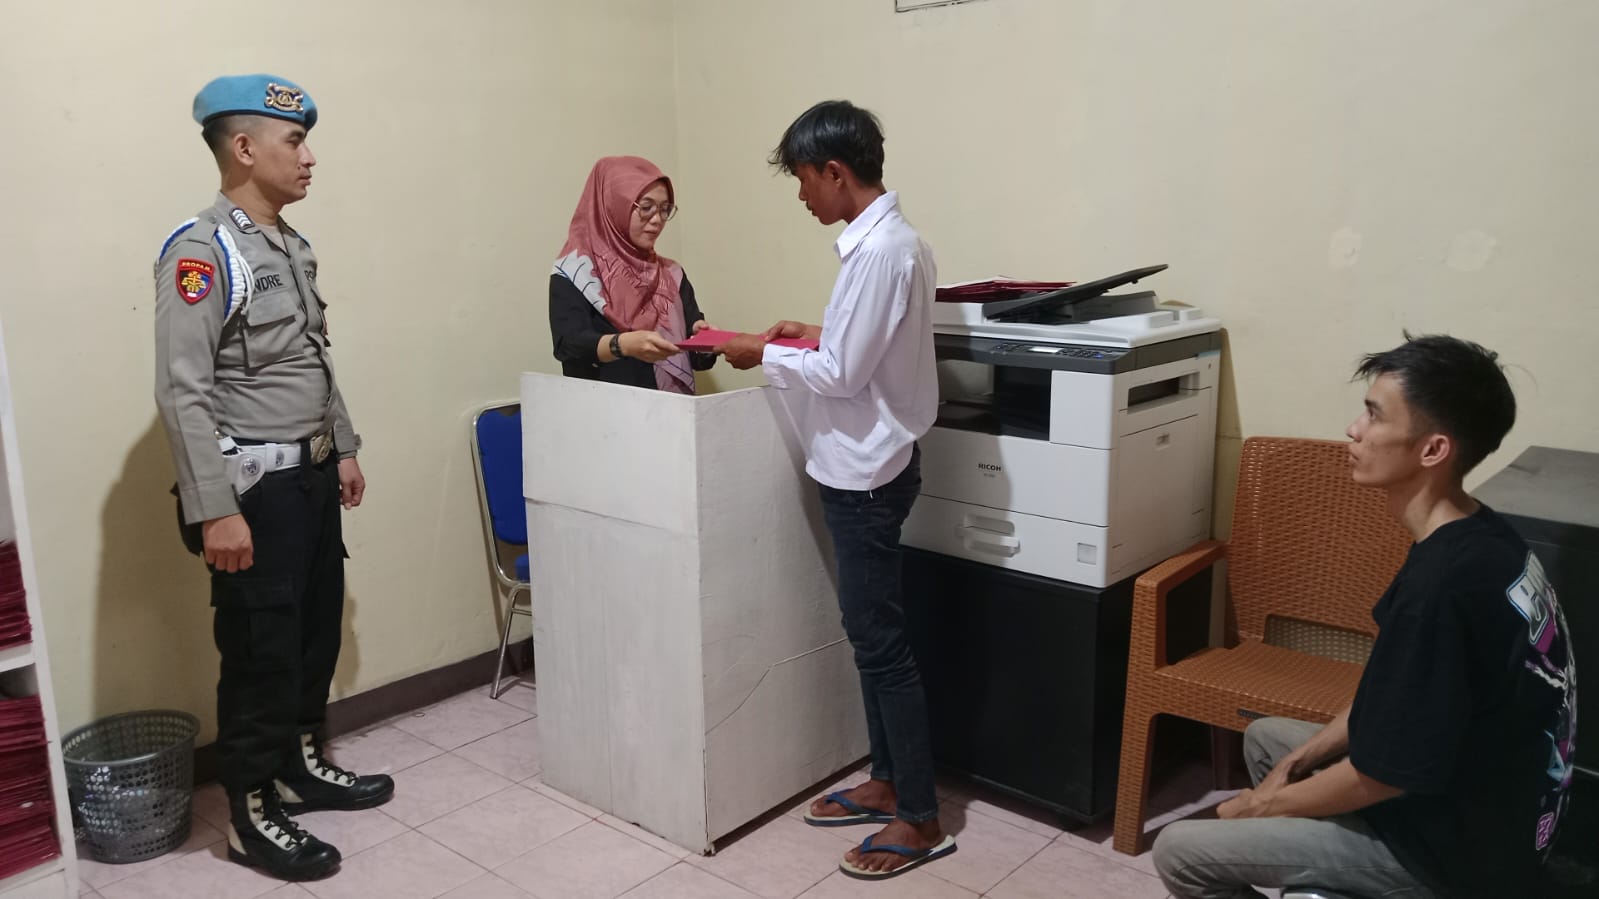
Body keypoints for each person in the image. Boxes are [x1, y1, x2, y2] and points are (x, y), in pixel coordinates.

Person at [1153, 334, 1577, 899]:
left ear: (1433, 450)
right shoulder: (1482, 535)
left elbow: (1384, 777)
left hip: (1453, 855)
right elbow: (1396, 699)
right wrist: (1297, 765)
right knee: (1269, 740)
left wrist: (1257, 807)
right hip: (1484, 799)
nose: (1353, 430)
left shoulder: (1442, 588)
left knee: (1180, 851)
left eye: (1374, 415)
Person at [153, 74, 393, 882]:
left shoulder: (288, 244)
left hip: (309, 478)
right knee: (260, 652)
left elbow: (310, 357)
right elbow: (182, 391)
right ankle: (250, 813)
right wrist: (213, 508)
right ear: (244, 148)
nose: (309, 156)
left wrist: (342, 444)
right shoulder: (201, 251)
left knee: (312, 633)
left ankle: (297, 767)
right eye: (295, 141)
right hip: (251, 490)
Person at [717, 100, 954, 880]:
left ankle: (920, 816)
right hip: (872, 463)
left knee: (880, 645)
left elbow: (845, 375)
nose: (800, 196)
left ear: (835, 171)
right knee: (870, 637)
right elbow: (866, 347)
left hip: (866, 474)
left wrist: (760, 352)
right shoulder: (895, 243)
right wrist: (810, 334)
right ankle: (885, 780)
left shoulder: (881, 252)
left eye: (803, 180)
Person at [550, 156, 715, 392]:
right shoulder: (576, 273)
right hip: (605, 408)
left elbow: (695, 358)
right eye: (646, 208)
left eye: (664, 209)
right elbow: (568, 346)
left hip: (672, 410)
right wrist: (623, 345)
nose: (657, 220)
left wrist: (704, 342)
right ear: (613, 206)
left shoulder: (672, 274)